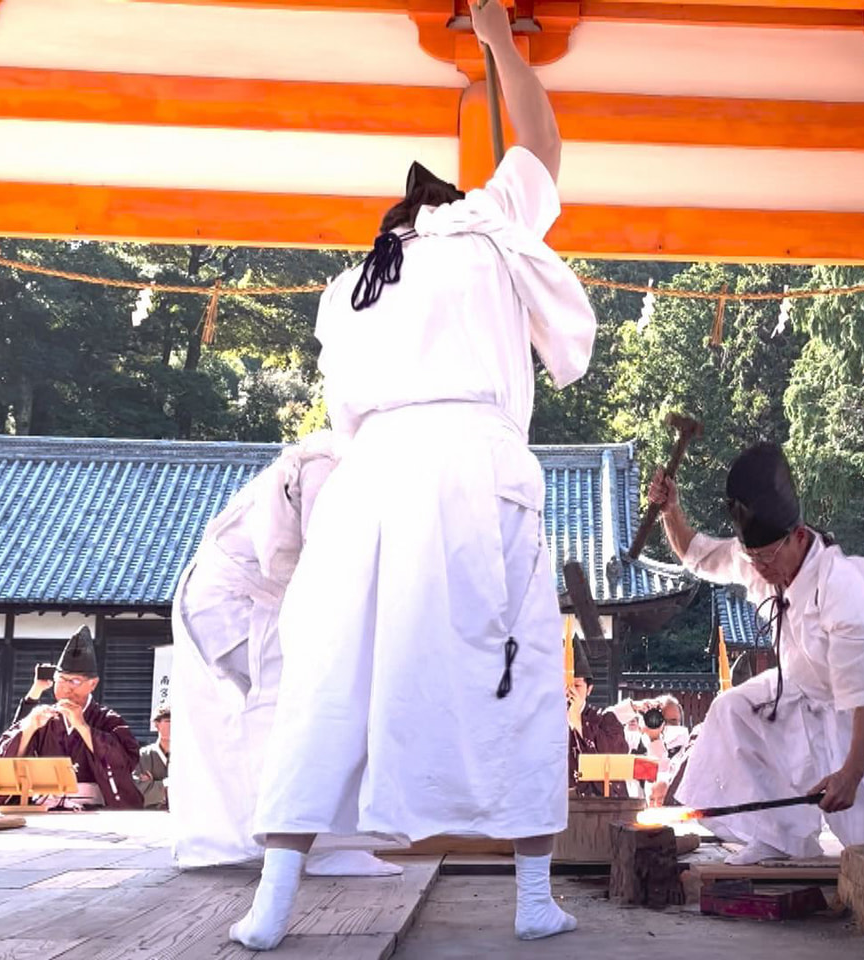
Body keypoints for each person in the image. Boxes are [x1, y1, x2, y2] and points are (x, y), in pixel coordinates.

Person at [229, 0, 597, 948]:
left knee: (330, 673)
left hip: (371, 475)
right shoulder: (486, 227)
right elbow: (544, 136)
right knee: (507, 663)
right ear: (450, 203)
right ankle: (530, 897)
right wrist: (496, 38)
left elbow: (341, 414)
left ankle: (270, 905)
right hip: (472, 466)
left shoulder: (353, 286)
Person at [648, 442, 864, 865]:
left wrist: (850, 774)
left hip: (861, 715)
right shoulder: (757, 556)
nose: (759, 568)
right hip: (798, 694)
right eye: (752, 557)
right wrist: (671, 510)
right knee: (732, 709)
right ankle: (781, 838)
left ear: (799, 536)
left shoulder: (843, 585)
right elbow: (695, 554)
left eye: (767, 557)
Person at [171, 432, 395, 878]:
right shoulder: (326, 462)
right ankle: (323, 846)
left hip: (233, 599)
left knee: (259, 724)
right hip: (245, 604)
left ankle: (264, 842)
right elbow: (316, 561)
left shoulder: (346, 461)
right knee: (303, 716)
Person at [0, 627, 142, 810]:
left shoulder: (108, 720)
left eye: (74, 682)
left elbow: (123, 765)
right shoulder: (43, 718)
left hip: (93, 811)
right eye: (61, 680)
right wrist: (29, 728)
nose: (66, 688)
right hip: (42, 807)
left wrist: (83, 728)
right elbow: (5, 762)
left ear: (93, 683)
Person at [567, 646, 631, 798]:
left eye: (576, 685)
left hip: (596, 806)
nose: (570, 692)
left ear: (589, 689)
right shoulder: (546, 722)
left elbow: (614, 757)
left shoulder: (605, 720)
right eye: (565, 685)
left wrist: (577, 721)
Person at [136, 706, 171, 809]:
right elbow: (137, 791)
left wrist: (153, 784)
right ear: (157, 724)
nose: (172, 725)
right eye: (168, 721)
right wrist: (166, 785)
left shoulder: (187, 756)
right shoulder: (143, 755)